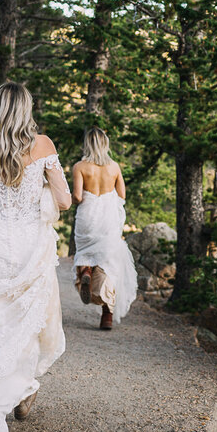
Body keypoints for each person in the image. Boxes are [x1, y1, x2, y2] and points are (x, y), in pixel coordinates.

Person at [0, 82, 72, 432]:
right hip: (29, 246)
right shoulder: (43, 145)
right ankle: (24, 389)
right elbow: (65, 201)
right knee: (27, 325)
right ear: (26, 108)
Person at [71, 127, 137, 330]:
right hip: (108, 218)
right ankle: (107, 316)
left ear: (87, 144)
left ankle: (86, 272)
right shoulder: (114, 167)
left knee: (85, 252)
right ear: (105, 144)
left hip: (88, 215)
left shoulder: (80, 166)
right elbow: (122, 194)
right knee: (109, 263)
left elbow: (78, 196)